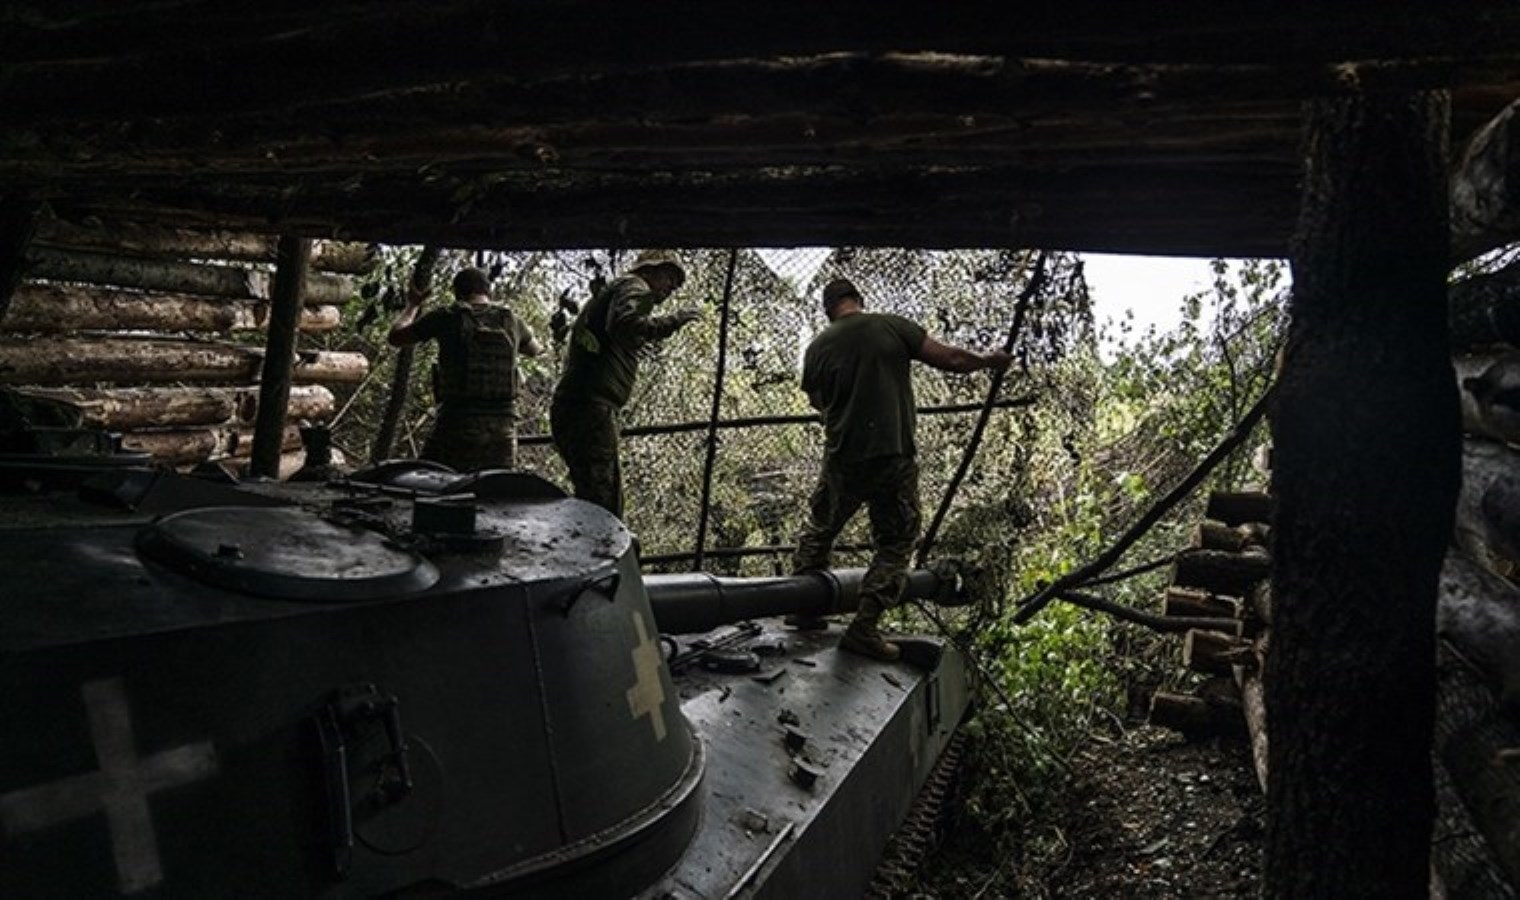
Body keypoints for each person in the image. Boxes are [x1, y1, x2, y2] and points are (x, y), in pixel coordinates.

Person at [791, 277, 1013, 661]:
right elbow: (951, 359)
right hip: (891, 453)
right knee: (896, 541)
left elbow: (816, 400)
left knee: (820, 530)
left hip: (842, 456)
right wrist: (988, 361)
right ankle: (864, 627)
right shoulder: (890, 326)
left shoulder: (817, 348)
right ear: (858, 299)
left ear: (828, 310)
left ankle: (803, 608)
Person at [551, 249, 701, 517]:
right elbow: (625, 324)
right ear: (651, 269)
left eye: (677, 284)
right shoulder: (634, 286)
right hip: (589, 407)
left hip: (580, 405)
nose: (672, 288)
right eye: (670, 277)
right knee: (603, 507)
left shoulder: (616, 291)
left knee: (595, 496)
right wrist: (673, 321)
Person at [387, 266, 541, 471]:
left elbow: (396, 337)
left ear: (458, 293)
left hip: (456, 423)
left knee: (428, 478)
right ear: (489, 291)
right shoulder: (510, 319)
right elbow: (534, 350)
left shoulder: (447, 316)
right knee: (497, 486)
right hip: (503, 428)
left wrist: (412, 306)